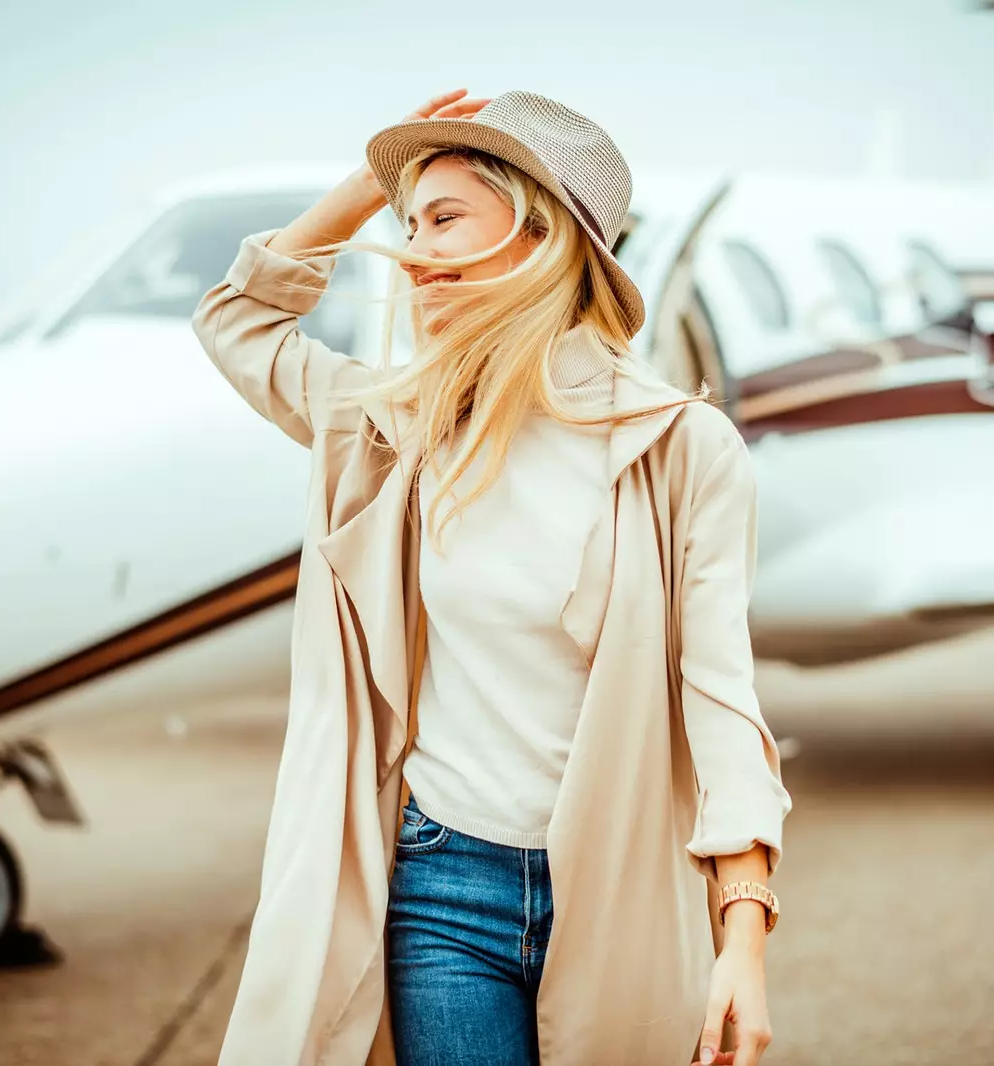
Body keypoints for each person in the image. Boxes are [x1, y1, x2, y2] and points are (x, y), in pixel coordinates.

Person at [191, 88, 793, 1066]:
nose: (412, 250)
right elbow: (236, 323)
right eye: (407, 225)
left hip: (616, 884)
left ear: (542, 233)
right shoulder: (385, 424)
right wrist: (363, 188)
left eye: (443, 220)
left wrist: (743, 937)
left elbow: (721, 700)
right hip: (440, 889)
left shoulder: (684, 449)